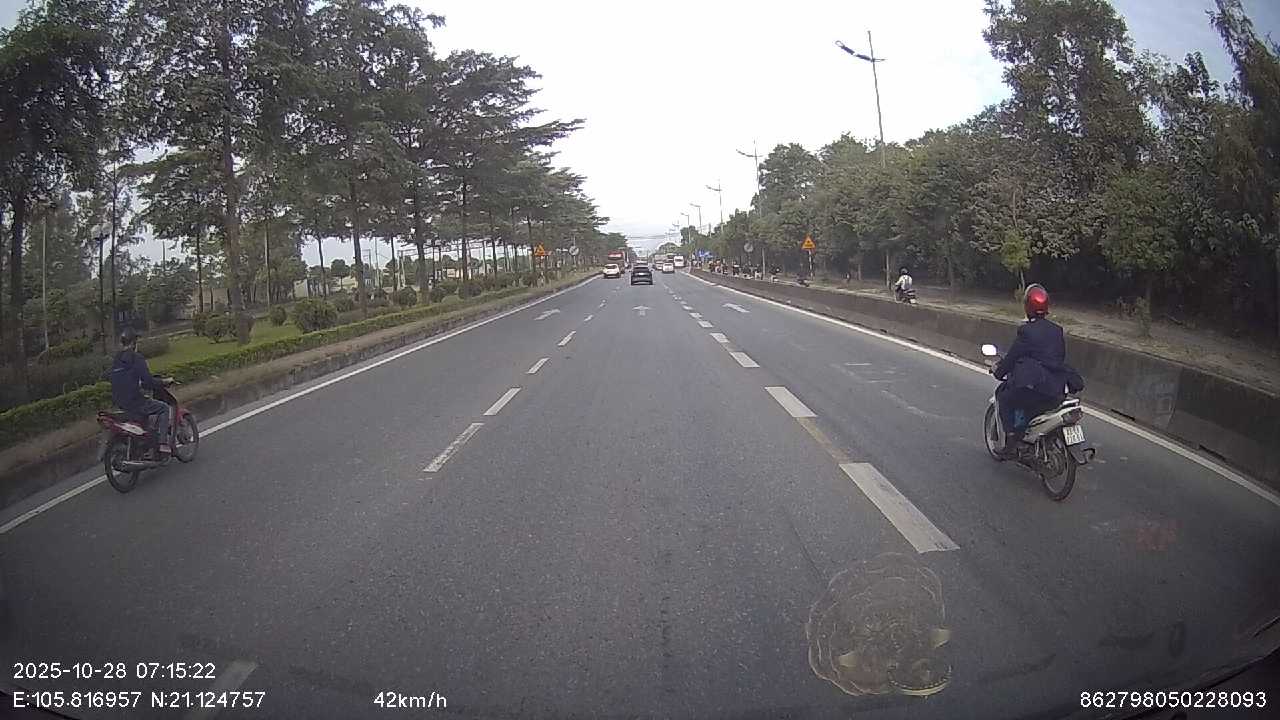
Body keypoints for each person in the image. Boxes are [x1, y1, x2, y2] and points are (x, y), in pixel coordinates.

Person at [991, 284, 1083, 458]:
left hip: (1036, 389)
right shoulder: (1057, 330)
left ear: (1027, 306)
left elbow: (1012, 357)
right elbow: (1058, 357)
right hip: (1057, 389)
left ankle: (1012, 442)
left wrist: (998, 372)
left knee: (1004, 397)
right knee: (1029, 402)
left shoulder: (1026, 331)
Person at [109, 326, 172, 455]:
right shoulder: (136, 358)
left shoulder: (116, 359)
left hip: (119, 402)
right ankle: (162, 444)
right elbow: (148, 381)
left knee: (143, 415)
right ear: (134, 343)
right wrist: (163, 382)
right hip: (135, 401)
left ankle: (144, 444)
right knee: (164, 408)